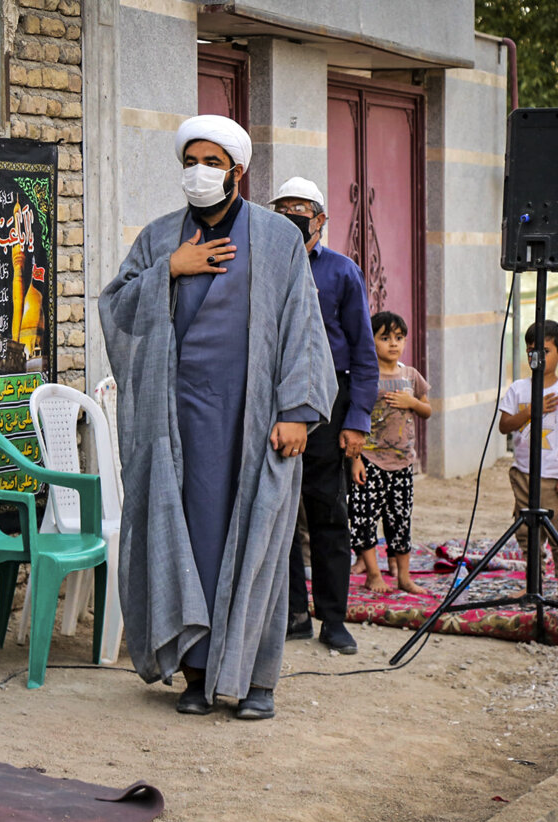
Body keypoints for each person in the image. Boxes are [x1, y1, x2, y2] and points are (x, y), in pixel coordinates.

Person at [99, 115, 336, 721]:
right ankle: (200, 673)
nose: (198, 172)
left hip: (257, 421)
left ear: (237, 171)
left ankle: (256, 681)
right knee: (197, 544)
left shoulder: (279, 238)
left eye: (211, 161)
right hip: (179, 426)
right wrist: (170, 271)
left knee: (262, 540)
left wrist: (297, 411)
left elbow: (303, 329)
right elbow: (117, 311)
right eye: (190, 161)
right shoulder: (158, 239)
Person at [270, 177, 379, 653]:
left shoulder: (341, 272)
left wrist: (356, 420)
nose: (292, 217)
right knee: (275, 513)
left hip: (326, 405)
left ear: (321, 219)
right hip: (272, 402)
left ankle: (333, 619)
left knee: (328, 514)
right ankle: (293, 614)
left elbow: (364, 353)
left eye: (301, 210)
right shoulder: (263, 267)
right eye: (283, 209)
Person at [498, 321, 558, 607]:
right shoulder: (519, 389)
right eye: (532, 351)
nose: (538, 357)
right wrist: (531, 411)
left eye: (545, 351)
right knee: (527, 533)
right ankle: (532, 585)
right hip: (523, 475)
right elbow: (504, 425)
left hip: (552, 477)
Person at [347, 312, 430, 596]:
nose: (393, 344)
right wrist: (355, 459)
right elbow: (353, 420)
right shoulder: (365, 377)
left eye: (398, 338)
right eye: (384, 338)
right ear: (371, 342)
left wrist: (412, 402)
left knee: (400, 520)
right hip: (370, 460)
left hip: (403, 463)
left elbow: (427, 409)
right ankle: (373, 573)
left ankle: (404, 578)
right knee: (366, 518)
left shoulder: (410, 376)